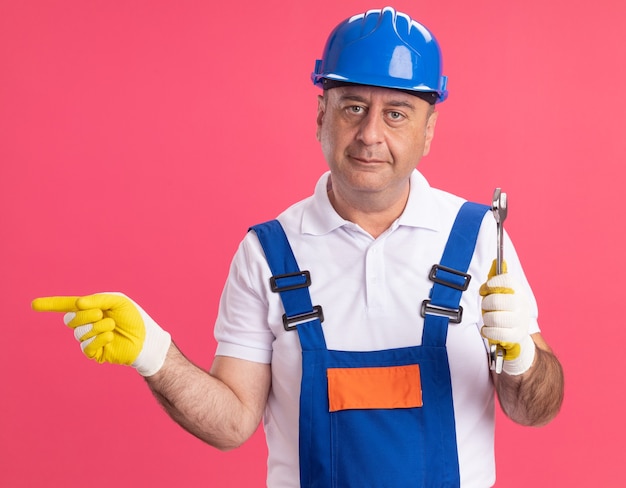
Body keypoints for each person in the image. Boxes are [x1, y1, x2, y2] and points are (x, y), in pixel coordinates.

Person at [32, 6, 564, 487]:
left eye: (397, 113)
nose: (371, 135)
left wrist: (520, 359)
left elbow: (533, 411)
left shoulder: (477, 240)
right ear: (321, 116)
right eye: (353, 107)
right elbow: (234, 421)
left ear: (428, 131)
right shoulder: (268, 253)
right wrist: (155, 353)